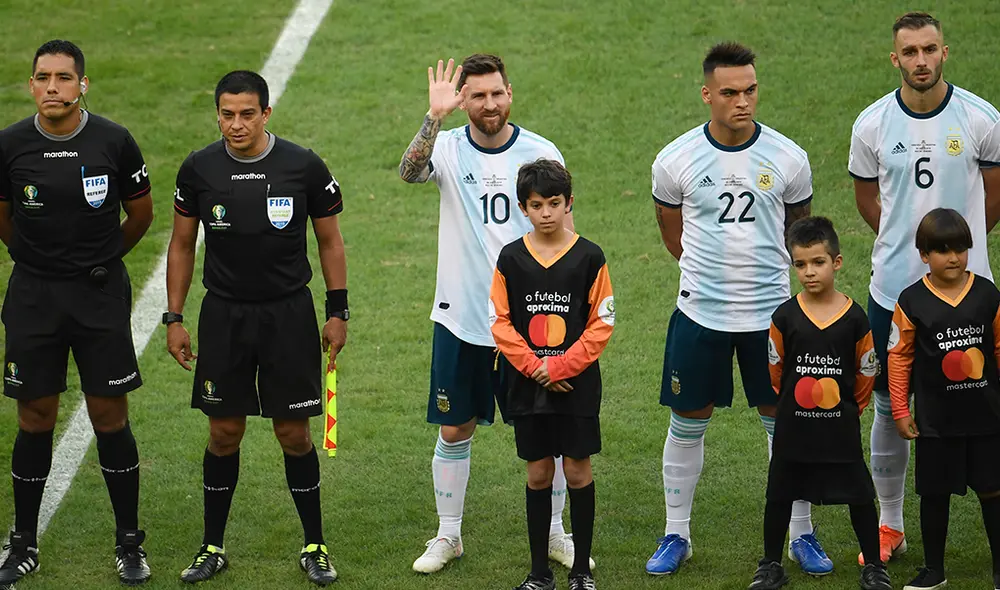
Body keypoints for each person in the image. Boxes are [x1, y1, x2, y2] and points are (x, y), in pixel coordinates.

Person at [399, 54, 590, 574]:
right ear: (462, 99)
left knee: (546, 433)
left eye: (496, 93)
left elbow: (565, 231)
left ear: (511, 92)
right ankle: (448, 535)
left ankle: (555, 532)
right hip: (461, 317)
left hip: (534, 322)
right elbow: (409, 172)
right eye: (477, 95)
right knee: (455, 428)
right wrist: (434, 118)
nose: (489, 104)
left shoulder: (540, 150)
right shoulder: (448, 145)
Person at [165, 70, 347, 586]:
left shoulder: (303, 166)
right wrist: (174, 318)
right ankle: (211, 546)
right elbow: (180, 245)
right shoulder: (198, 168)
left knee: (294, 432)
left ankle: (315, 545)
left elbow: (330, 241)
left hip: (288, 315)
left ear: (267, 113)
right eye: (227, 114)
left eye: (247, 114)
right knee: (224, 432)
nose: (236, 124)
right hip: (223, 316)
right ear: (217, 113)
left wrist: (339, 312)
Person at [648, 41, 821, 576]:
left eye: (749, 90)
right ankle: (676, 534)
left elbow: (798, 234)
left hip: (771, 317)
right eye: (729, 92)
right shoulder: (675, 159)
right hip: (700, 316)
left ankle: (801, 534)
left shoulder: (788, 158)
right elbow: (674, 239)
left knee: (783, 422)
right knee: (688, 419)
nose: (741, 101)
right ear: (707, 94)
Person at [0, 39, 154, 586]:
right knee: (34, 418)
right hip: (34, 299)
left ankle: (129, 543)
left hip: (98, 295)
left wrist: (100, 258)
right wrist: (38, 262)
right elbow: (4, 217)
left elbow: (140, 213)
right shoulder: (10, 145)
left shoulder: (113, 140)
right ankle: (22, 543)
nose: (52, 88)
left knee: (110, 418)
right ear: (31, 84)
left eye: (64, 78)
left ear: (82, 84)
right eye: (43, 78)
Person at [848, 11, 1000, 566]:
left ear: (944, 52)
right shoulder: (871, 125)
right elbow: (870, 200)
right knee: (890, 408)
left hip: (969, 296)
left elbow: (992, 198)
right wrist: (902, 248)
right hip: (892, 292)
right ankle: (890, 526)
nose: (920, 61)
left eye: (929, 50)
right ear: (895, 58)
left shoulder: (981, 118)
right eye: (909, 52)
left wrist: (957, 259)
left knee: (984, 399)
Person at [490, 160, 614, 590]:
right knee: (538, 473)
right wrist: (537, 368)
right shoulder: (511, 259)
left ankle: (581, 571)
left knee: (578, 472)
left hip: (576, 384)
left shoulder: (590, 256)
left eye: (554, 204)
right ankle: (539, 572)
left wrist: (560, 366)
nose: (546, 213)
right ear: (523, 208)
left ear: (569, 204)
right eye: (537, 205)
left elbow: (602, 322)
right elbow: (500, 321)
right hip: (528, 385)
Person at [749, 217, 890, 590]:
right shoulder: (784, 316)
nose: (809, 272)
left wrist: (848, 409)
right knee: (778, 495)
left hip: (839, 431)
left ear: (837, 262)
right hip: (794, 430)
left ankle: (874, 566)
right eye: (800, 265)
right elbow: (776, 371)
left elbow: (865, 374)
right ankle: (770, 565)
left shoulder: (856, 318)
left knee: (860, 496)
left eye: (818, 262)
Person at [887, 208, 1000, 590]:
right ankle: (934, 570)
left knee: (993, 491)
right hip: (936, 422)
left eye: (960, 249)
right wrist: (901, 410)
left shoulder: (987, 294)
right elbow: (899, 357)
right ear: (924, 255)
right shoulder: (911, 301)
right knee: (934, 494)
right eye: (942, 250)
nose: (953, 257)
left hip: (987, 418)